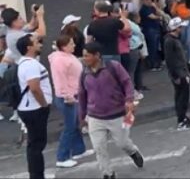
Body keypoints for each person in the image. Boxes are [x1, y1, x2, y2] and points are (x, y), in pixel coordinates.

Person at [79, 42, 144, 179]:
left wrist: (129, 99)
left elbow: (127, 82)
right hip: (95, 117)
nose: (84, 58)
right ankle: (108, 173)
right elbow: (82, 95)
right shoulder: (84, 74)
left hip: (117, 114)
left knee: (122, 142)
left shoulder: (113, 67)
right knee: (99, 148)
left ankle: (133, 152)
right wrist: (82, 117)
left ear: (97, 55)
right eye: (83, 56)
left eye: (87, 56)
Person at [49, 35, 91, 168]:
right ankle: (62, 157)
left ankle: (79, 150)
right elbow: (59, 80)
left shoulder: (67, 56)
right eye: (71, 43)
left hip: (74, 94)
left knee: (74, 124)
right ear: (63, 46)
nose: (74, 45)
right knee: (69, 127)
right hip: (67, 97)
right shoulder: (59, 60)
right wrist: (67, 96)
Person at [16, 34, 53, 179]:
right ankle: (37, 175)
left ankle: (36, 174)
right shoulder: (30, 64)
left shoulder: (26, 63)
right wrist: (44, 104)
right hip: (34, 109)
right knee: (36, 146)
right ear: (28, 47)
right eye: (36, 42)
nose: (40, 43)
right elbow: (35, 88)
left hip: (29, 108)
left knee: (34, 145)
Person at [164, 17, 190, 130]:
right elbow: (170, 60)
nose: (182, 29)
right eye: (180, 27)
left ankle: (183, 116)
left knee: (183, 95)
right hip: (178, 73)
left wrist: (187, 68)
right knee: (181, 96)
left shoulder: (175, 39)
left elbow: (181, 57)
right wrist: (175, 75)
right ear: (176, 28)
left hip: (182, 71)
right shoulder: (170, 41)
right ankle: (181, 120)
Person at [139, 0, 163, 70]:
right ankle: (153, 65)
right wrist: (159, 17)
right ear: (142, 1)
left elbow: (160, 13)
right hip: (149, 29)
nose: (149, 1)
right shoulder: (143, 9)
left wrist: (155, 6)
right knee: (152, 47)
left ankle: (157, 63)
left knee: (156, 47)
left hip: (156, 28)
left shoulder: (151, 7)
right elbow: (152, 16)